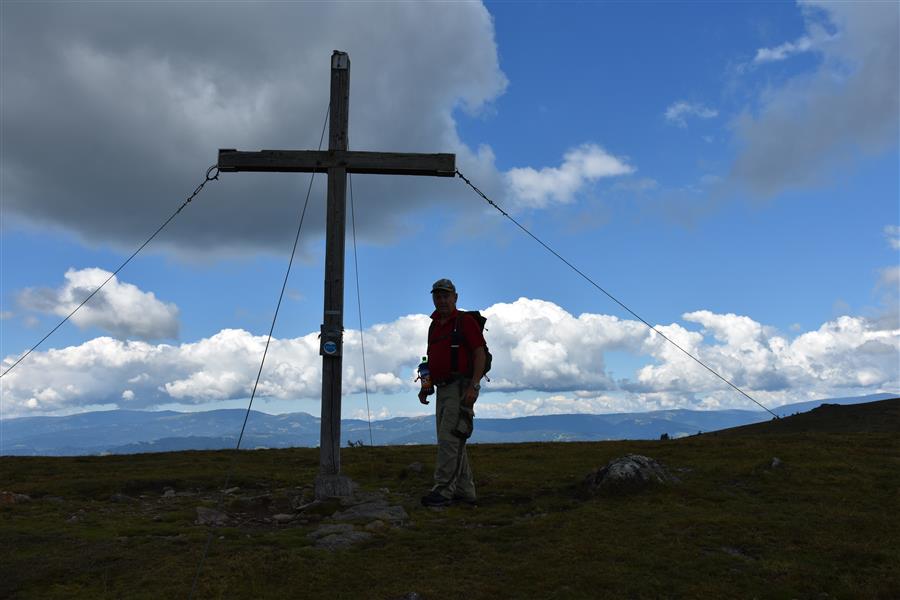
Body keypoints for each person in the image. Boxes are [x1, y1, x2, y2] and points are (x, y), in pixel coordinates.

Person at [419, 278, 487, 507]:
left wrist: (474, 386)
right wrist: (425, 387)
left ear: (455, 297)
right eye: (438, 296)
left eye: (446, 295)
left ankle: (443, 490)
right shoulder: (434, 325)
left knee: (449, 440)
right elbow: (428, 358)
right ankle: (465, 492)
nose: (442, 300)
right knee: (453, 439)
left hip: (460, 388)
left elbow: (479, 353)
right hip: (441, 388)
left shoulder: (464, 321)